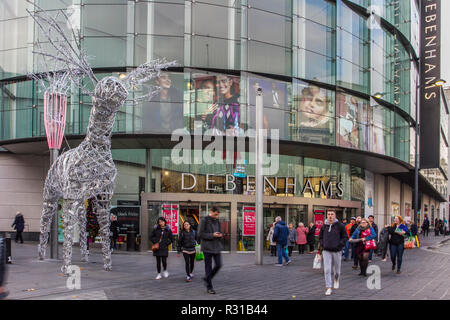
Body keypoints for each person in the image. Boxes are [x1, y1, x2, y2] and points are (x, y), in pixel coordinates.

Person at [319, 210, 348, 296]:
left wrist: (340, 245)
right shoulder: (324, 226)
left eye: (332, 214)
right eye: (328, 214)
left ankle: (336, 279)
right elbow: (320, 237)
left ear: (335, 215)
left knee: (337, 270)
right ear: (326, 215)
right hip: (326, 250)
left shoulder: (340, 226)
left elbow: (345, 237)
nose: (330, 216)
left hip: (337, 250)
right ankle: (328, 287)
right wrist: (322, 244)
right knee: (327, 270)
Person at [199, 206, 223, 294]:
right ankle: (209, 287)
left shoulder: (217, 221)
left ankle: (207, 278)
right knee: (208, 268)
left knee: (219, 264)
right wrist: (212, 235)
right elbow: (200, 234)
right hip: (207, 248)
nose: (217, 216)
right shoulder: (204, 220)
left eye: (217, 215)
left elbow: (220, 231)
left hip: (217, 247)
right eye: (215, 214)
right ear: (211, 212)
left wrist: (220, 235)